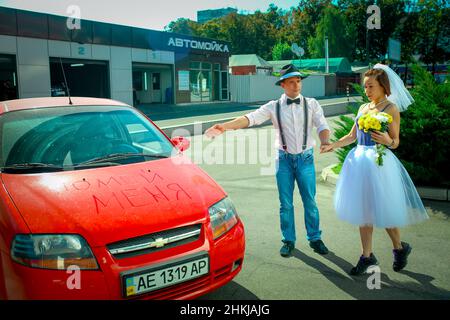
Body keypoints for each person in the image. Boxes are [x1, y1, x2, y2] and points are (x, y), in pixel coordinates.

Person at [205, 64, 332, 257]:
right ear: (282, 85)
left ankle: (315, 238)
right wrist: (224, 126)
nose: (296, 85)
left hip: (306, 159)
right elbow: (249, 119)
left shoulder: (312, 104)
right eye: (291, 82)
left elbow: (322, 125)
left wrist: (325, 141)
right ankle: (288, 240)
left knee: (310, 202)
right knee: (286, 204)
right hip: (284, 161)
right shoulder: (273, 107)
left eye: (298, 81)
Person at [321, 64, 429, 275]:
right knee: (364, 212)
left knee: (385, 212)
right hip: (359, 162)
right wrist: (332, 145)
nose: (366, 91)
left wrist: (388, 139)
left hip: (380, 163)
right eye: (365, 86)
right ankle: (367, 256)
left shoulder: (391, 109)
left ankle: (399, 248)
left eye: (370, 86)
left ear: (382, 86)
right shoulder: (363, 108)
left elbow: (396, 141)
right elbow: (352, 136)